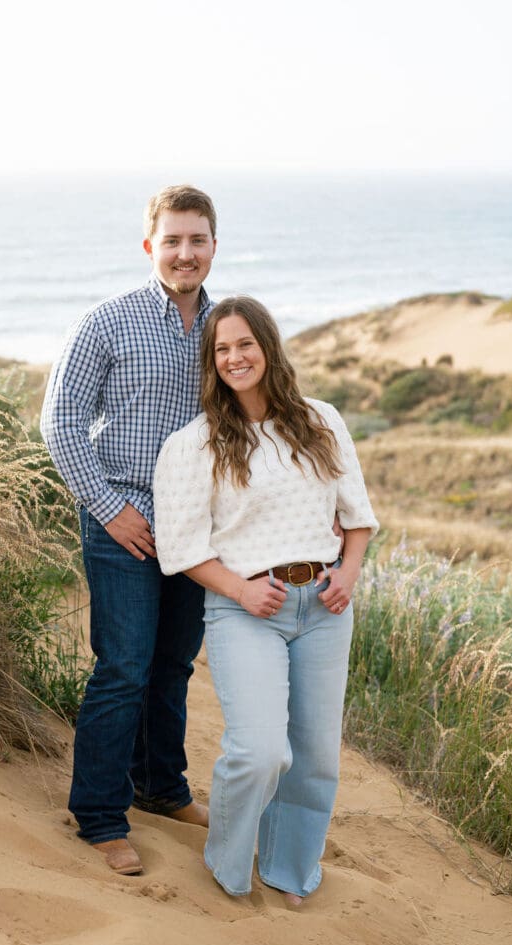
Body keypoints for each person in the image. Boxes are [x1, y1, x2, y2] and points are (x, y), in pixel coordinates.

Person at [153, 296, 379, 903]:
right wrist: (240, 590)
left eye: (245, 344)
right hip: (246, 610)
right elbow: (180, 547)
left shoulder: (321, 420)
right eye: (221, 349)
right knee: (260, 750)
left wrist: (349, 573)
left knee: (312, 757)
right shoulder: (194, 445)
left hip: (326, 607)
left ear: (268, 347)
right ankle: (229, 869)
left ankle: (289, 871)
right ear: (211, 362)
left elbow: (356, 518)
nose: (234, 358)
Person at [40, 185, 217, 876]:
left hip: (196, 527)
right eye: (171, 240)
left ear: (212, 246)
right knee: (123, 667)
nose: (183, 252)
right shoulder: (106, 322)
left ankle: (161, 788)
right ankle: (100, 816)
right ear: (151, 247)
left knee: (172, 665)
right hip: (122, 520)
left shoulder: (226, 327)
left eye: (196, 240)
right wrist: (109, 508)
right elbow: (59, 423)